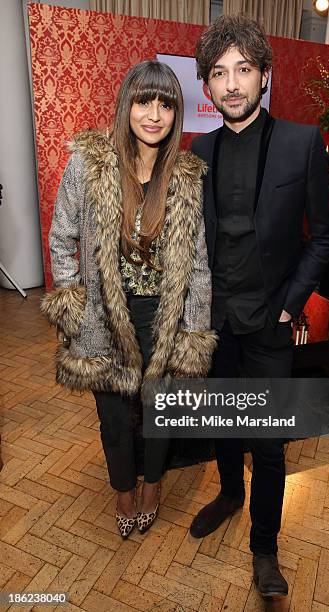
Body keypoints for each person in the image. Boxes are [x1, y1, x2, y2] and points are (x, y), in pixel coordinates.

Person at [189, 15, 329, 598]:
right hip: (216, 320)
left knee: (269, 444)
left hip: (270, 322)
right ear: (206, 87)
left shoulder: (303, 143)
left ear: (264, 77)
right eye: (219, 74)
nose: (231, 85)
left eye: (243, 71)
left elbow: (323, 235)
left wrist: (289, 305)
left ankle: (265, 549)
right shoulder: (199, 149)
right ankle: (229, 491)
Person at [42, 60, 216, 539]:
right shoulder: (90, 162)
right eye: (145, 101)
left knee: (162, 409)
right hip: (103, 314)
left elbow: (198, 262)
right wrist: (72, 300)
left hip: (164, 314)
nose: (154, 114)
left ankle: (154, 485)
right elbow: (62, 236)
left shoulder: (185, 176)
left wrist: (193, 330)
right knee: (114, 415)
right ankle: (123, 488)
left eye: (165, 104)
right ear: (127, 105)